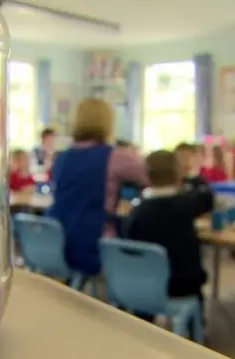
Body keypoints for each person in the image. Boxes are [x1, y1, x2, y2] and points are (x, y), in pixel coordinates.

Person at [46, 98, 147, 278]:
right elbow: (154, 176)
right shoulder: (116, 157)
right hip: (94, 244)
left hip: (57, 242)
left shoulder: (61, 158)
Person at [125, 150, 212, 325]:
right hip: (182, 284)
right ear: (178, 173)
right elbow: (208, 197)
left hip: (142, 285)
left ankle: (143, 327)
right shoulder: (186, 204)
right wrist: (191, 176)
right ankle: (195, 329)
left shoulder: (137, 212)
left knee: (146, 269)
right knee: (194, 279)